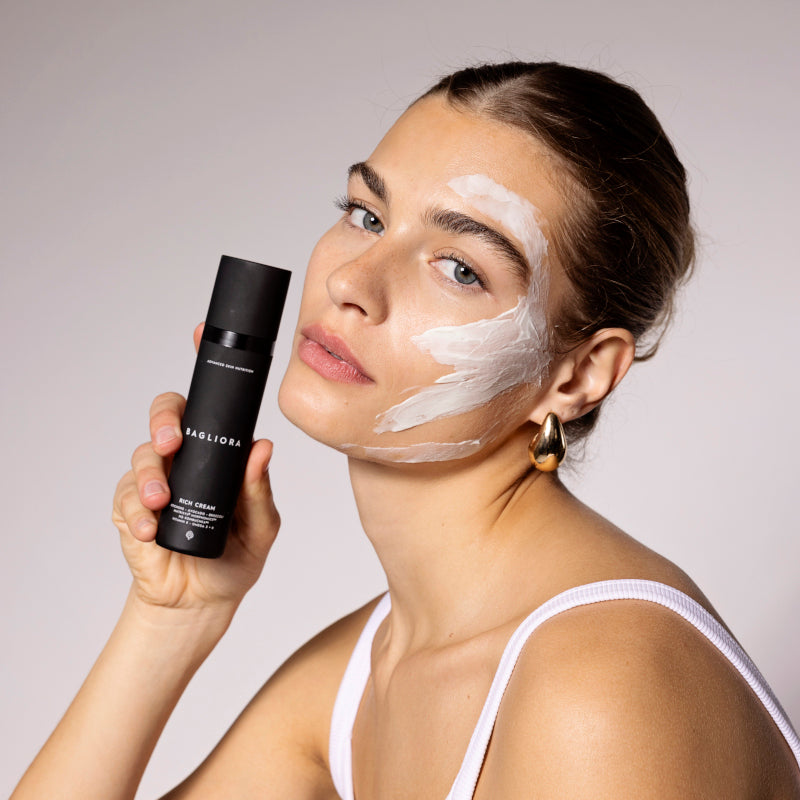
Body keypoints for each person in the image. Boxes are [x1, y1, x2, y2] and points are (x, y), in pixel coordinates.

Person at [12, 61, 800, 799]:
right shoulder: (359, 672)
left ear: (578, 375)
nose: (350, 281)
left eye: (460, 267)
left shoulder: (600, 690)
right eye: (366, 214)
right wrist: (171, 616)